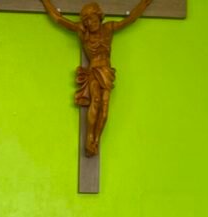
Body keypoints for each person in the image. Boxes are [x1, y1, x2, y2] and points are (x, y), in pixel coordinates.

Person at [39, 0, 152, 156]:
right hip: (93, 71)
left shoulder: (109, 28)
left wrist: (145, 3)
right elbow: (58, 19)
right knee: (96, 101)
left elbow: (130, 19)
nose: (90, 23)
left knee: (104, 110)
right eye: (86, 21)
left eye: (92, 19)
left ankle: (96, 139)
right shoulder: (83, 32)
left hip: (106, 72)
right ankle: (89, 137)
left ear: (99, 17)